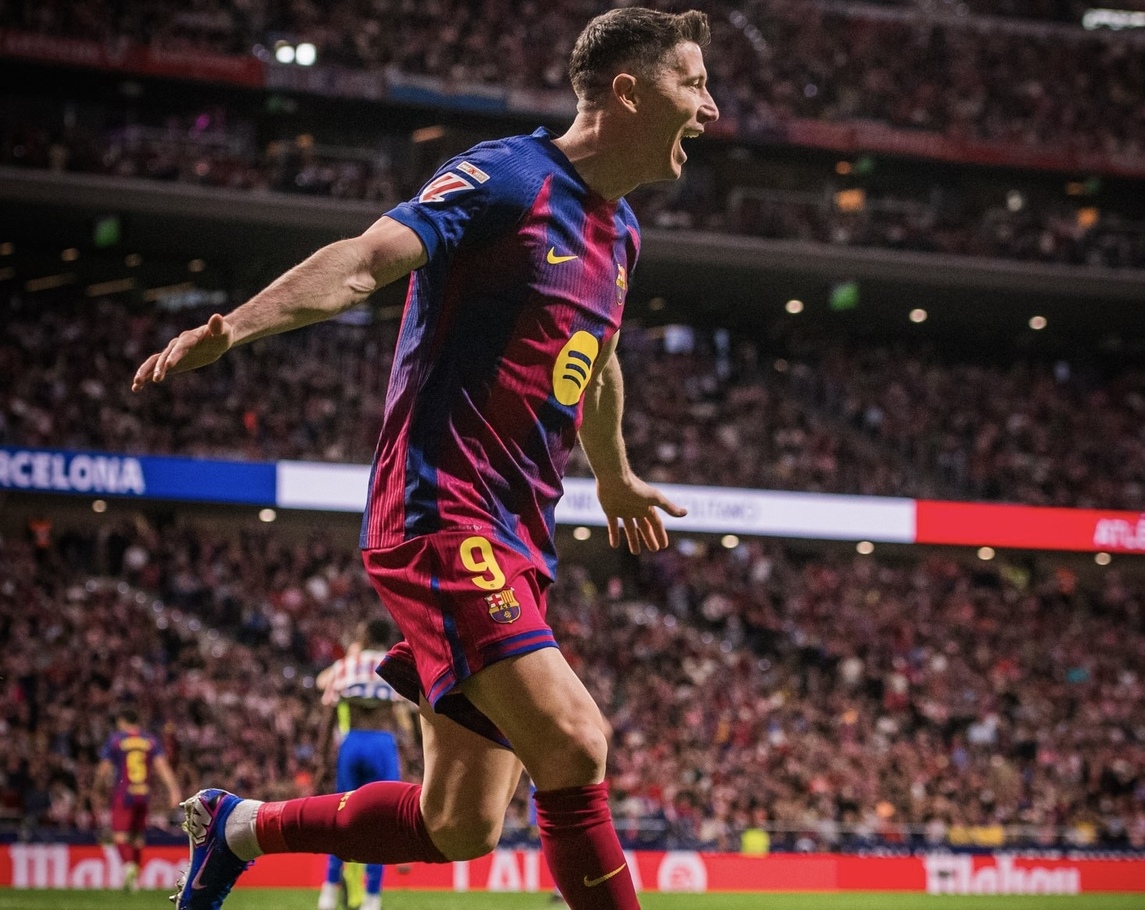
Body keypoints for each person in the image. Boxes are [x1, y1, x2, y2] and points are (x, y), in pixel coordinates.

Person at [131, 8, 716, 910]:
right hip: (441, 512)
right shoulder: (509, 177)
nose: (710, 109)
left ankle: (237, 827)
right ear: (630, 92)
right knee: (575, 743)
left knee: (461, 823)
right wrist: (236, 328)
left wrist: (613, 473)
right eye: (694, 83)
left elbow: (597, 361)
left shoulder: (623, 233)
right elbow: (367, 260)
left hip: (520, 539)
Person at [313, 618, 414, 910]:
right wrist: (411, 755)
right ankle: (372, 898)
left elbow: (329, 715)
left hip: (353, 743)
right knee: (381, 823)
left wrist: (321, 762)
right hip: (383, 744)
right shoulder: (396, 665)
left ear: (366, 635)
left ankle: (328, 892)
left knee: (341, 817)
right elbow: (406, 715)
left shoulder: (345, 666)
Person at [94, 707, 183, 891]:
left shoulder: (116, 739)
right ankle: (134, 880)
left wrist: (97, 788)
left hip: (123, 792)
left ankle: (128, 868)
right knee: (137, 837)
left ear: (122, 721)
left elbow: (104, 769)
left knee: (120, 835)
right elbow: (162, 766)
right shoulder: (150, 740)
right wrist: (174, 790)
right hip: (143, 793)